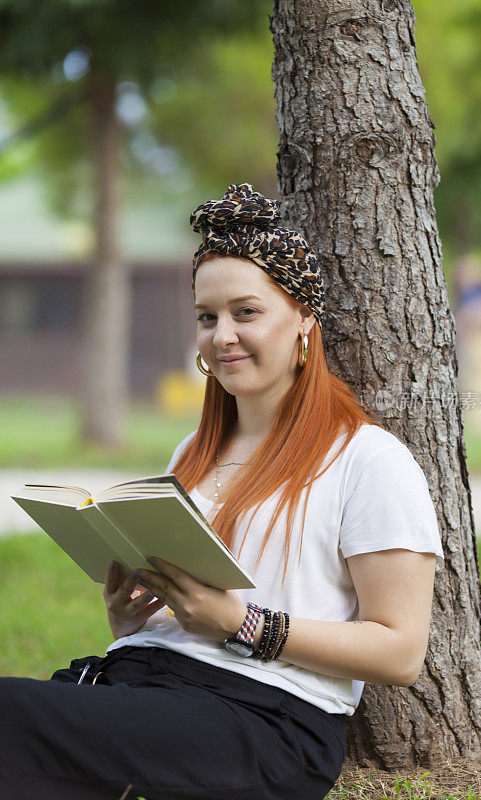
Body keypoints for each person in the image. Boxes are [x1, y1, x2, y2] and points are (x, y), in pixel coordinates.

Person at [0, 183, 444, 800]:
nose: (222, 335)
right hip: (148, 687)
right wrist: (127, 618)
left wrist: (241, 622)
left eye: (247, 312)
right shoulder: (194, 449)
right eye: (207, 317)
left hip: (265, 721)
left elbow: (400, 652)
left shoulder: (370, 461)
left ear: (303, 324)